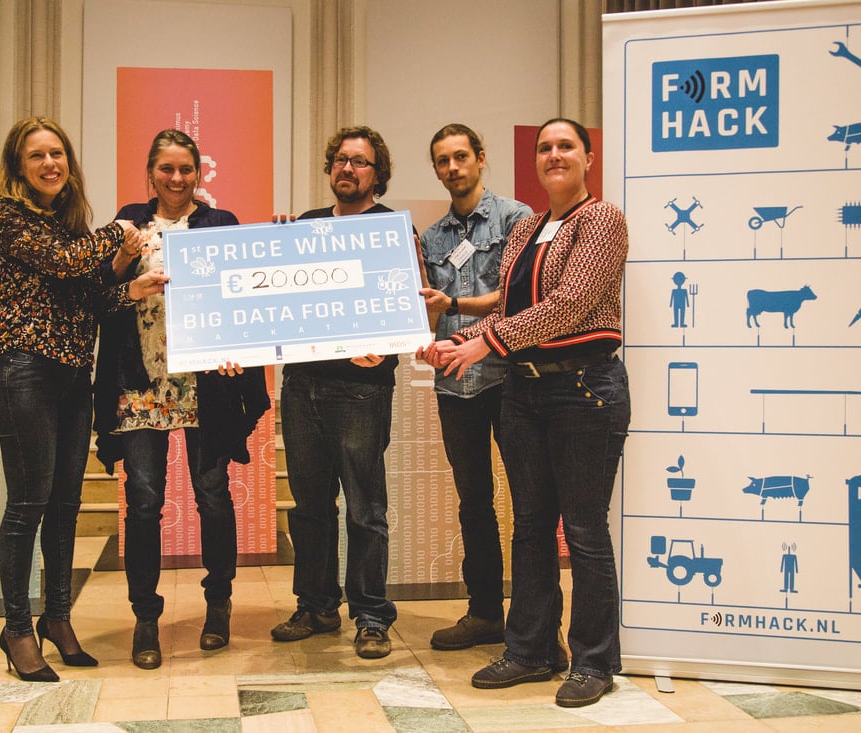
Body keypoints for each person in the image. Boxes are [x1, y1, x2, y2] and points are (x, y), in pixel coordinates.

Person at [422, 118, 630, 708]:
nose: (553, 155)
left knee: (583, 530)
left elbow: (570, 304)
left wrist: (485, 343)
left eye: (566, 146)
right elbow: (511, 309)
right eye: (544, 148)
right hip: (525, 393)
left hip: (584, 391)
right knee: (532, 527)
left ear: (588, 158)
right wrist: (457, 342)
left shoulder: (602, 219)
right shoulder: (528, 228)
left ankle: (594, 661)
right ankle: (533, 650)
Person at [0, 116, 165, 682]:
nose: (50, 164)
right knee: (27, 505)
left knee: (65, 506)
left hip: (71, 378)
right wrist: (120, 230)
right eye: (36, 155)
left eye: (57, 153)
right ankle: (17, 629)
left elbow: (87, 299)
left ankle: (57, 618)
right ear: (18, 167)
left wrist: (130, 289)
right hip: (24, 371)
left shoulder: (68, 227)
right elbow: (63, 264)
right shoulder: (7, 217)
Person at [93, 129, 270, 670]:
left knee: (212, 495)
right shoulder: (128, 222)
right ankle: (146, 618)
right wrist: (123, 262)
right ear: (151, 173)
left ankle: (219, 604)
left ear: (199, 173)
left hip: (204, 386)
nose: (176, 178)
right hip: (139, 381)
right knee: (144, 501)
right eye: (166, 169)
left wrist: (241, 351)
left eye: (185, 169)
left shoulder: (221, 223)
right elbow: (99, 295)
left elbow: (243, 297)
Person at [269, 125, 400, 659]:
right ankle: (316, 605)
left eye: (360, 161)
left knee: (365, 509)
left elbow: (405, 302)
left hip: (361, 390)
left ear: (377, 173)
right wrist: (274, 249)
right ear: (330, 168)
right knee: (310, 506)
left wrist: (387, 348)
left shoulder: (391, 229)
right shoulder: (305, 226)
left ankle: (371, 616)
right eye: (341, 160)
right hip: (302, 384)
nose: (348, 168)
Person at [416, 123, 532, 651]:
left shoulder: (517, 218)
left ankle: (533, 622)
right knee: (474, 503)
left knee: (531, 503)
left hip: (510, 379)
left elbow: (519, 297)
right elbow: (425, 311)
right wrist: (421, 339)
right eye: (443, 161)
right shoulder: (430, 238)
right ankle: (484, 613)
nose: (453, 168)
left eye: (460, 156)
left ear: (480, 158)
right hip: (455, 385)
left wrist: (456, 306)